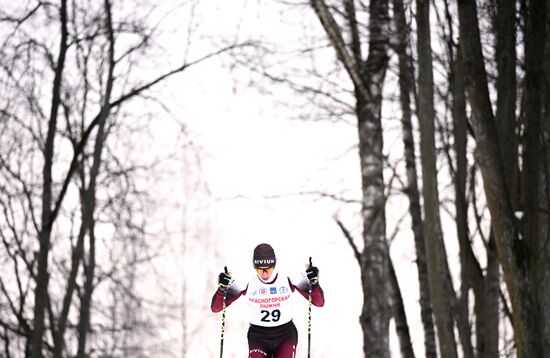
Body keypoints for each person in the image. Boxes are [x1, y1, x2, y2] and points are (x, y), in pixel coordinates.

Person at [211, 243, 325, 358]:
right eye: (260, 270)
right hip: (258, 336)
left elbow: (319, 302)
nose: (265, 274)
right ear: (254, 268)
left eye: (269, 269)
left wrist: (314, 283)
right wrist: (222, 289)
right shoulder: (247, 281)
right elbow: (216, 308)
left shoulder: (287, 277)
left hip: (285, 334)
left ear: (274, 265)